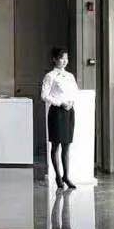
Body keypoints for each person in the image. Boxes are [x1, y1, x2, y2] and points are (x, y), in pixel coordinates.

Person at [41, 46, 78, 189]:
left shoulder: (70, 76)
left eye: (66, 58)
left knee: (67, 145)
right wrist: (60, 103)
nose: (64, 61)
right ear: (54, 59)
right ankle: (57, 175)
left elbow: (75, 92)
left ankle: (66, 176)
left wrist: (71, 102)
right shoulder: (50, 76)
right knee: (56, 145)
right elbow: (44, 95)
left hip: (69, 112)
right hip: (57, 112)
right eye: (61, 58)